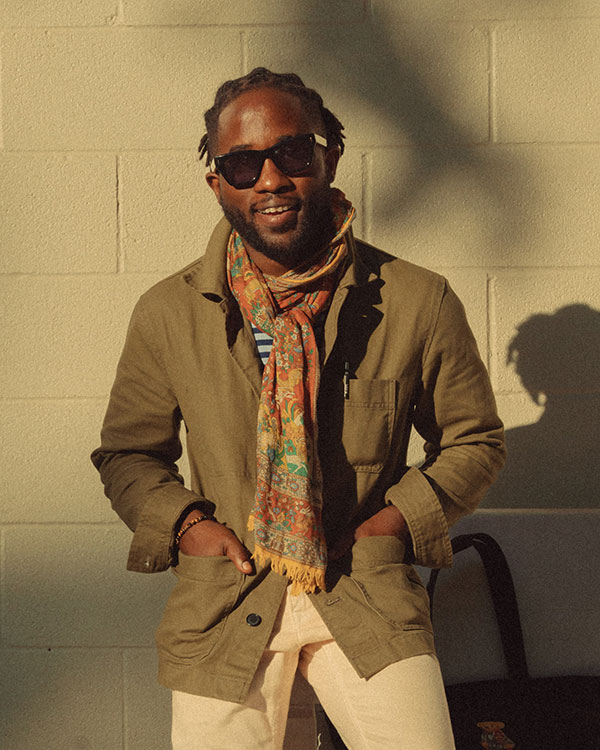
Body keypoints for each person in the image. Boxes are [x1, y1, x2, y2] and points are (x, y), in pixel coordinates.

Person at [91, 67, 505, 750]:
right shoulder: (169, 313)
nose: (270, 179)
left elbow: (475, 442)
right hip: (226, 598)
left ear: (327, 156)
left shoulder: (413, 299)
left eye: (291, 153)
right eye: (244, 164)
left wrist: (389, 526)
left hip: (364, 593)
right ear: (217, 182)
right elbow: (129, 454)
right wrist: (189, 525)